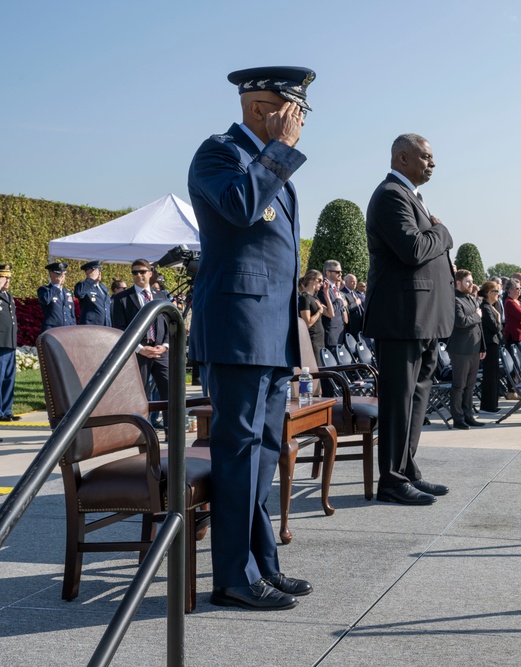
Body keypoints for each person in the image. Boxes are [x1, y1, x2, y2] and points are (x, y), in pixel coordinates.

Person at [187, 65, 316, 610]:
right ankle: (232, 579)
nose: (300, 120)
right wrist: (280, 152)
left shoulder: (271, 168)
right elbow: (239, 208)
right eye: (294, 109)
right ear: (260, 108)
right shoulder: (218, 155)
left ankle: (263, 564)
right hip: (238, 331)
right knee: (238, 452)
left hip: (273, 333)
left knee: (264, 453)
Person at [364, 132, 454, 505]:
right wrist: (442, 232)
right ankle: (391, 479)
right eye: (426, 157)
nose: (432, 164)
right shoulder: (390, 196)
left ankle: (408, 469)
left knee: (417, 399)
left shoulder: (410, 197)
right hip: (402, 319)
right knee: (398, 402)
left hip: (422, 319)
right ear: (402, 158)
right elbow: (413, 249)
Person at [110, 258, 171, 413]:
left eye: (142, 272)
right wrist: (139, 348)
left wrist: (164, 346)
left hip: (160, 353)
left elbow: (169, 324)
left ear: (150, 273)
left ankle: (171, 432)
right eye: (135, 272)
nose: (138, 275)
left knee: (169, 392)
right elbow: (119, 329)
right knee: (138, 395)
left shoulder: (160, 296)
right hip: (137, 353)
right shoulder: (122, 298)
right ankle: (141, 433)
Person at [448, 270, 486, 429]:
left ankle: (468, 414)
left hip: (474, 348)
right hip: (460, 349)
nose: (471, 284)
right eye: (467, 282)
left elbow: (479, 326)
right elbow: (461, 322)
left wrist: (482, 346)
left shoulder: (471, 298)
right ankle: (458, 418)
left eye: (471, 281)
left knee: (470, 385)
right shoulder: (455, 300)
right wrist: (477, 315)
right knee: (459, 385)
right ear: (458, 283)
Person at [478, 280, 503, 414]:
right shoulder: (485, 308)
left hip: (494, 344)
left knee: (494, 375)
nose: (498, 294)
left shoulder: (491, 307)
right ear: (488, 293)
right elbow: (495, 327)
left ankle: (492, 403)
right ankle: (487, 405)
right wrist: (498, 317)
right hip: (489, 344)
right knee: (489, 376)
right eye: (496, 291)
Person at [298, 269, 328, 365]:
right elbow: (307, 323)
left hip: (319, 338)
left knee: (321, 368)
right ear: (311, 280)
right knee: (315, 369)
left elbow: (331, 314)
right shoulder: (304, 298)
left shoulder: (314, 297)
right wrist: (319, 311)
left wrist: (326, 293)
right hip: (312, 339)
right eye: (319, 280)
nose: (321, 283)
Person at [0, 264, 18, 422]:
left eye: (9, 278)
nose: (7, 281)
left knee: (8, 378)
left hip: (9, 342)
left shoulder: (8, 296)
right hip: (0, 343)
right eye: (4, 278)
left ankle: (7, 410)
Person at [38, 261, 76, 332]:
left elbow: (71, 314)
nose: (62, 276)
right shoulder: (45, 290)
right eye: (58, 274)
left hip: (67, 330)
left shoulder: (67, 292)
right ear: (51, 274)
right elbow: (45, 300)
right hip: (52, 330)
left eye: (63, 274)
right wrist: (56, 286)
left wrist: (73, 328)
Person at [319, 260, 348, 350]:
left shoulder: (335, 287)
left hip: (339, 332)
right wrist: (340, 301)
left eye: (341, 272)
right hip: (331, 333)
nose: (340, 274)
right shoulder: (323, 287)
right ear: (327, 272)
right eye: (337, 272)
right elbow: (331, 311)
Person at [74, 260, 112, 326]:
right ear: (88, 272)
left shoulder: (103, 288)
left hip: (105, 326)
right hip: (91, 326)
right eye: (97, 270)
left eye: (100, 270)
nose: (99, 273)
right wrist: (91, 279)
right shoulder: (83, 285)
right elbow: (79, 294)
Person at [502, 280, 521, 344]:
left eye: (520, 288)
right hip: (515, 336)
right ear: (510, 290)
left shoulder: (518, 301)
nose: (520, 290)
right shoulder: (510, 302)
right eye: (517, 288)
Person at [342, 273, 365, 339]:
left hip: (360, 325)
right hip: (352, 326)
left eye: (355, 281)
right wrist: (356, 303)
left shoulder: (354, 293)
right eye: (352, 281)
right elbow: (346, 309)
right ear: (346, 282)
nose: (354, 283)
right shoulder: (343, 293)